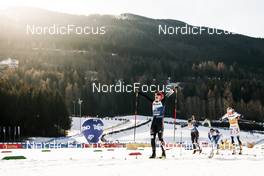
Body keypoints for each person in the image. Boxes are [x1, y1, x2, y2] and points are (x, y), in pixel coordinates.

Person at [138, 89, 174, 159]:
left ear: (161, 97)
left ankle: (163, 153)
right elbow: (146, 96)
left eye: (158, 95)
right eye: (155, 95)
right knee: (152, 138)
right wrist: (139, 92)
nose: (156, 96)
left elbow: (167, 95)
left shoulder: (162, 102)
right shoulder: (153, 102)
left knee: (160, 138)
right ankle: (153, 154)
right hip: (154, 122)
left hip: (160, 122)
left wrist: (173, 90)